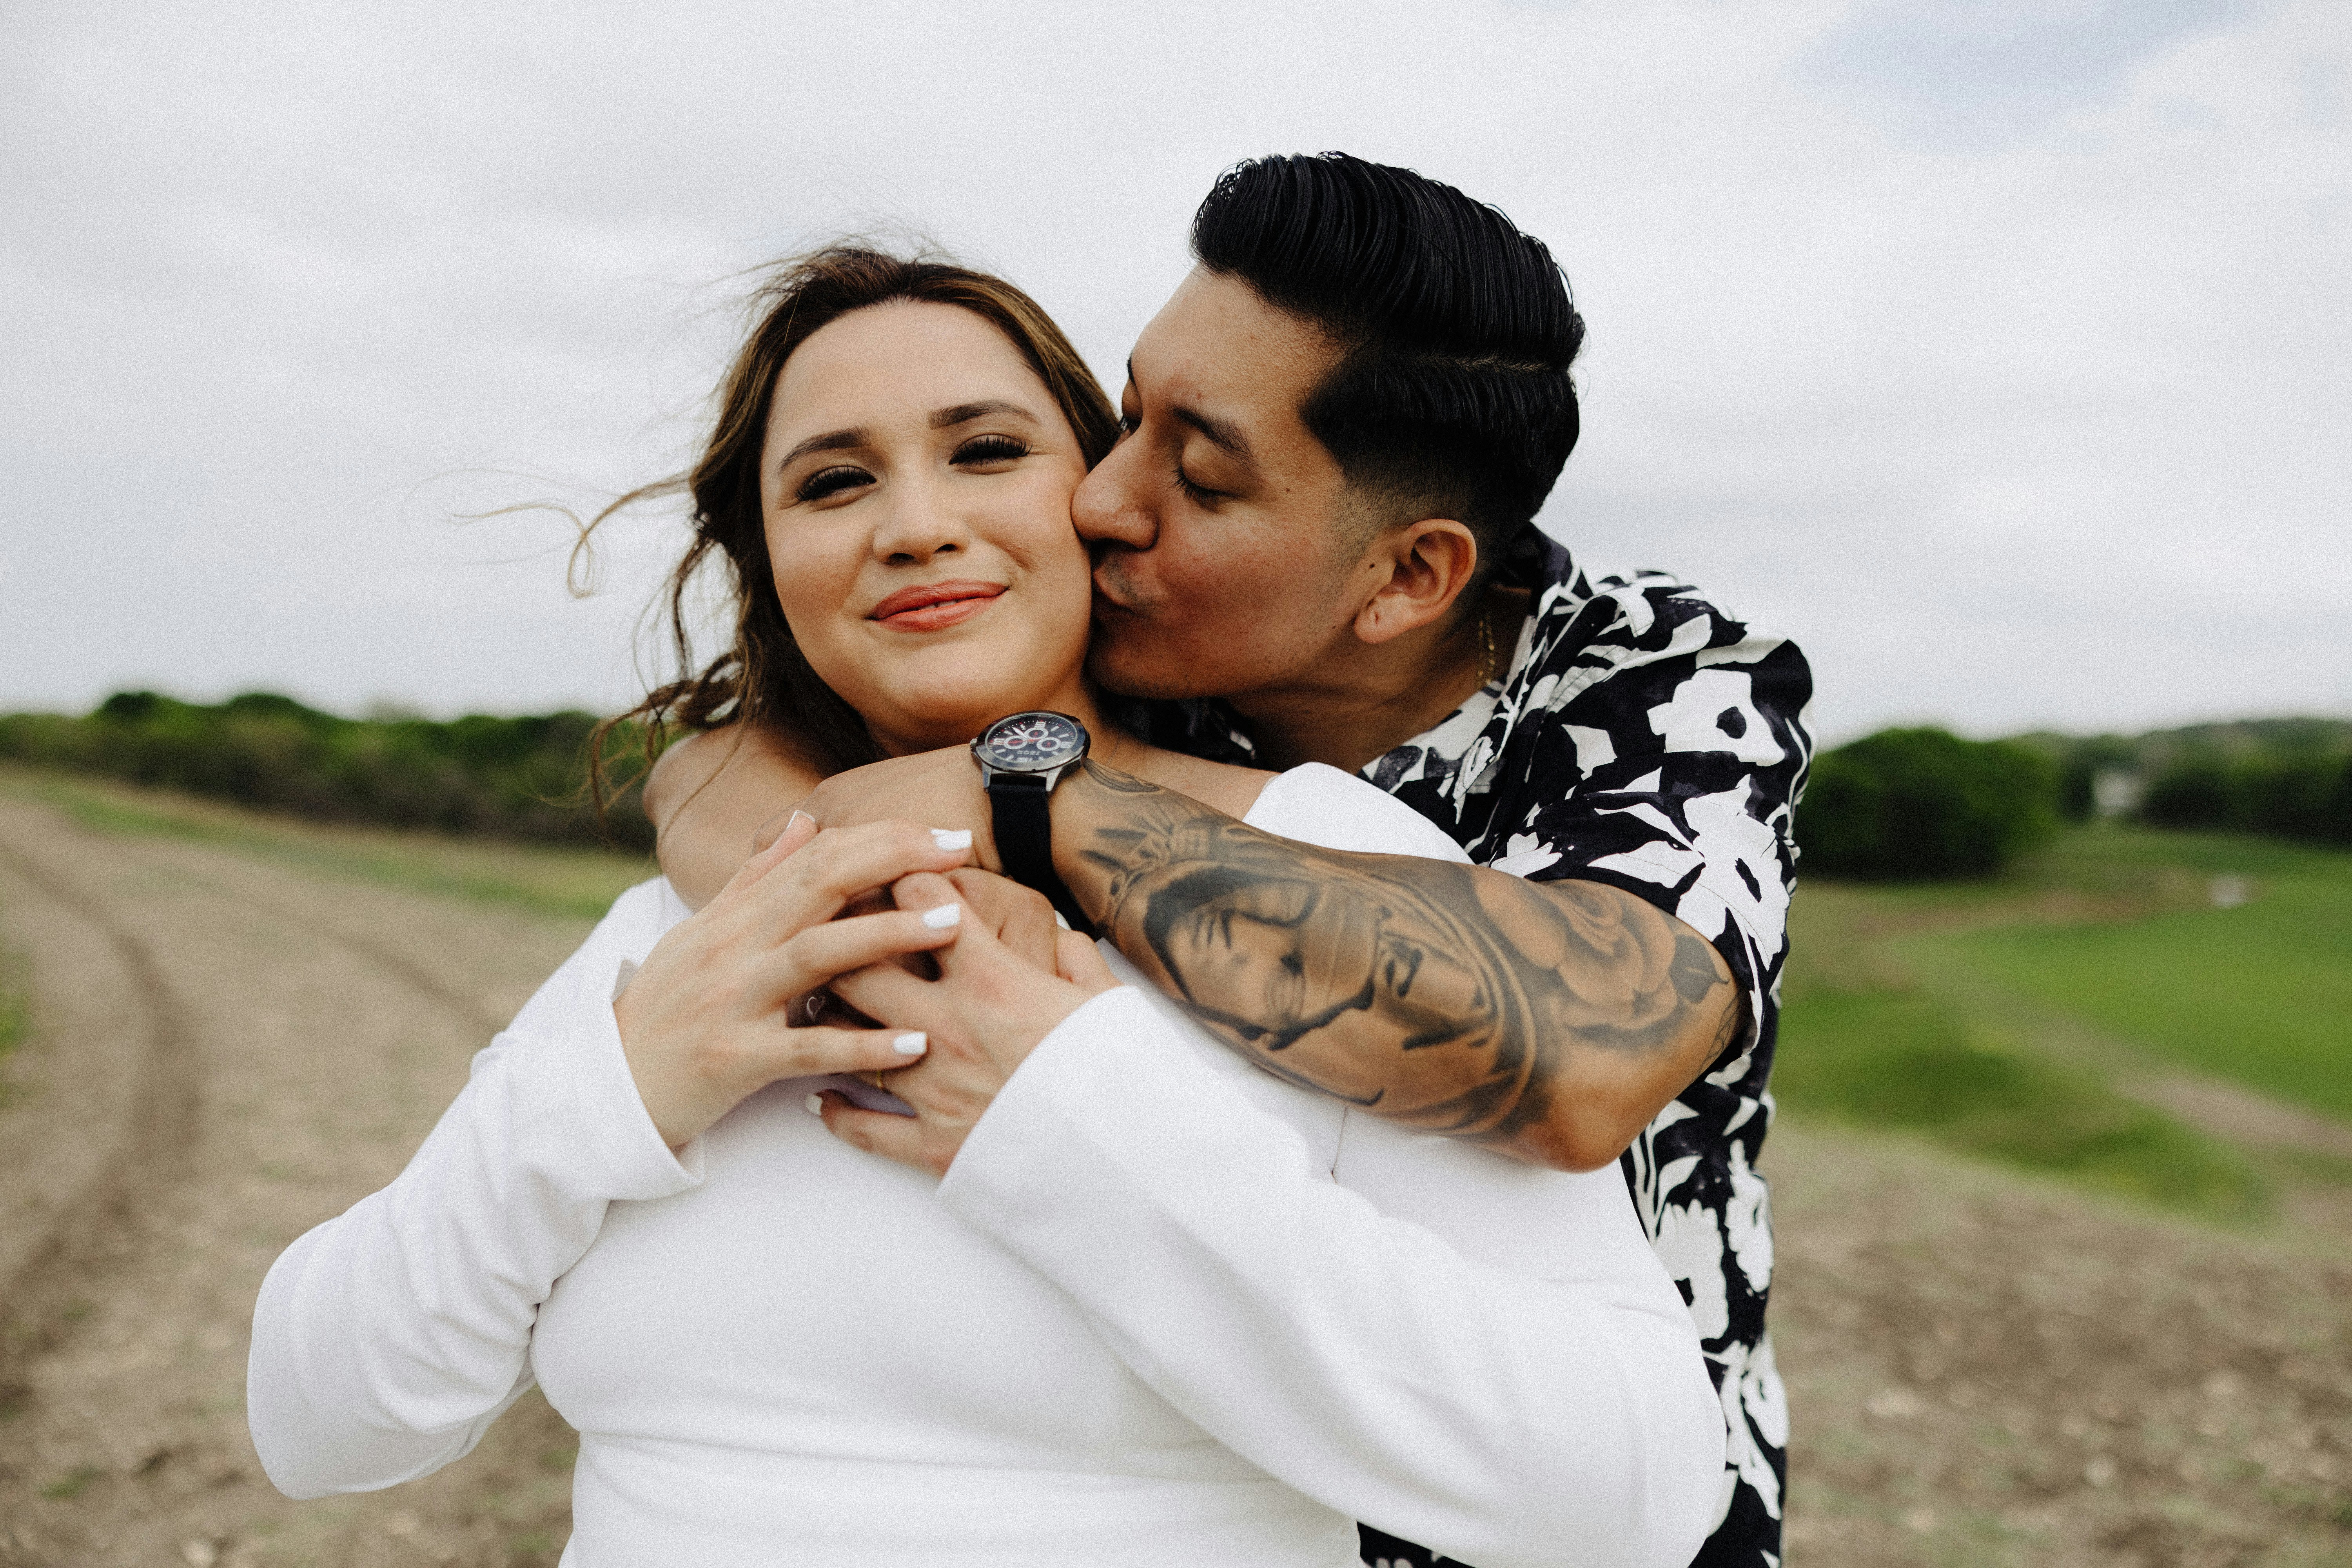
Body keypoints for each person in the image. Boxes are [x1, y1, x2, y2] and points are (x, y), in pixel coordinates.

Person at [245, 246, 1726, 1568]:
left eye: (986, 451)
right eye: (832, 481)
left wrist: (1063, 1111)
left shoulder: (1336, 866)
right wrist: (610, 1094)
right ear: (771, 564)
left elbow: (1636, 1491)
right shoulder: (690, 924)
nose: (912, 524)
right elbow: (321, 1428)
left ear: (1094, 505)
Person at [654, 154, 1812, 1568]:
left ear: (1405, 578)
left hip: (1564, 1501)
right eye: (1127, 416)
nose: (1103, 501)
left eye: (1197, 475)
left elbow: (1580, 1055)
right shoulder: (1155, 650)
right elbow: (732, 758)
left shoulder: (1659, 686)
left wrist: (1031, 796)